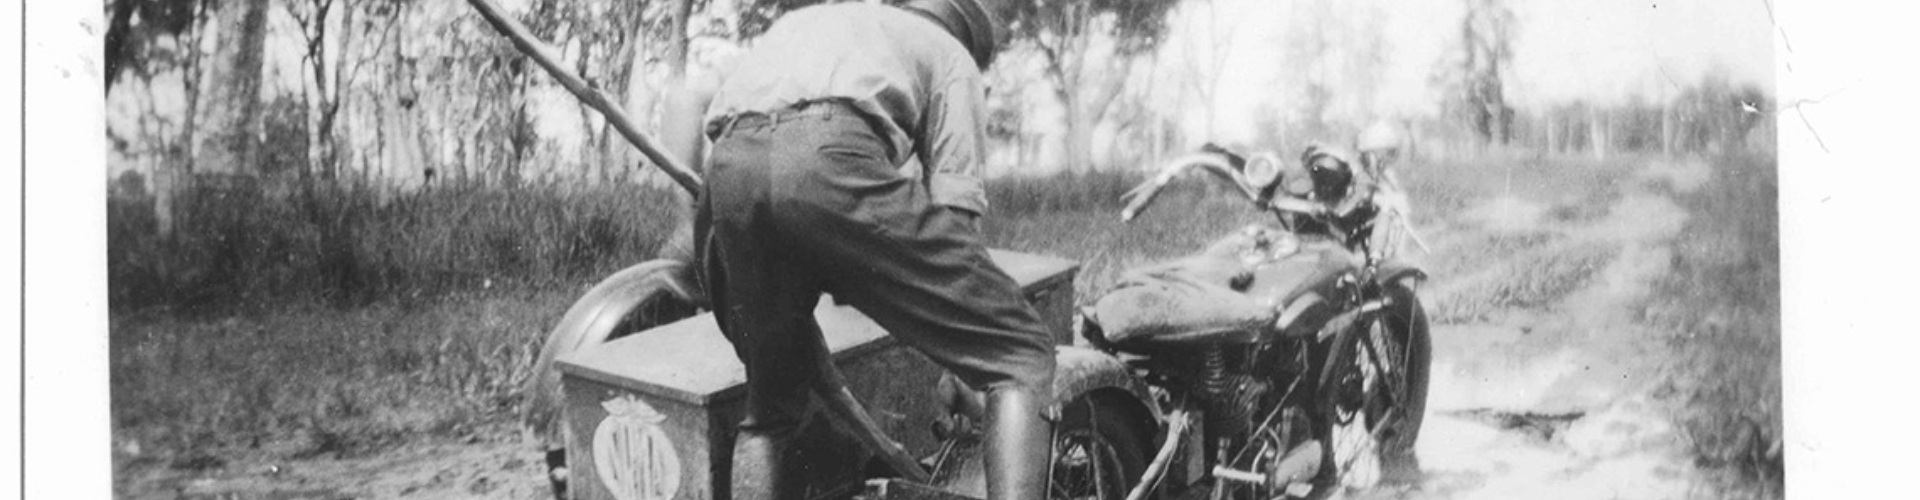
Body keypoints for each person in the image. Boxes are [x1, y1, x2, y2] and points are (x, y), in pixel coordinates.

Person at [663, 1, 1055, 499]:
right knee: (1021, 354)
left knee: (772, 412)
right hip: (829, 160)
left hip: (730, 172)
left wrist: (688, 225)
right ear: (968, 37)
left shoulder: (819, 21)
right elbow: (956, 217)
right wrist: (959, 363)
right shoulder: (952, 58)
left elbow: (686, 101)